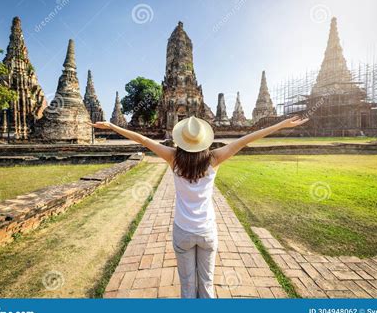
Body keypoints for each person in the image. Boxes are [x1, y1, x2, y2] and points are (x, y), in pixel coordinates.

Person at [90, 115, 308, 298]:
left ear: (181, 140)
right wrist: (281, 125)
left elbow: (142, 139)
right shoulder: (214, 159)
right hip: (206, 231)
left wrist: (111, 126)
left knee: (187, 287)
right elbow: (245, 140)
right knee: (207, 286)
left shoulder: (173, 158)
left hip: (183, 231)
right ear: (204, 140)